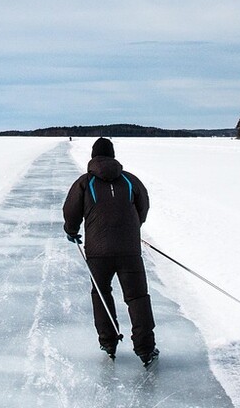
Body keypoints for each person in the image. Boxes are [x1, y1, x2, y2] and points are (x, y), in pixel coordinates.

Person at [63, 137, 159, 367]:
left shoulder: (85, 182)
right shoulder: (130, 180)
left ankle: (108, 342)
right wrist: (134, 226)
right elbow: (143, 207)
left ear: (93, 157)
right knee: (137, 297)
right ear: (113, 155)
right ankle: (145, 349)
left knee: (101, 294)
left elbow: (70, 210)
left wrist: (71, 230)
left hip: (97, 252)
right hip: (129, 251)